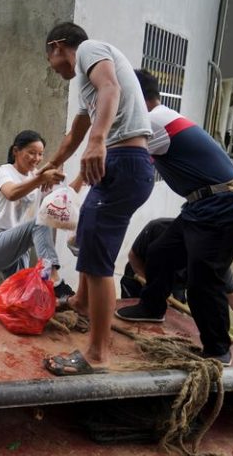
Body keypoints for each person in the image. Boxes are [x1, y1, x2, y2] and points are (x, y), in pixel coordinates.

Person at [114, 69, 233, 364]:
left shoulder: (154, 121)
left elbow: (120, 156)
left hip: (225, 208)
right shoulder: (161, 119)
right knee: (161, 251)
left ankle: (218, 351)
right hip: (203, 207)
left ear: (136, 98)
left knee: (204, 281)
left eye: (121, 97)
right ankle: (152, 308)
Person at [41, 22, 154, 375]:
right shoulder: (82, 84)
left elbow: (111, 87)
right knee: (87, 236)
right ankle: (80, 301)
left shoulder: (90, 51)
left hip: (125, 161)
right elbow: (75, 132)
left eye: (50, 57)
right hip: (121, 166)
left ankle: (97, 354)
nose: (53, 66)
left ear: (58, 46)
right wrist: (52, 164)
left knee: (98, 260)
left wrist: (99, 139)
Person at [120, 217, 233, 337]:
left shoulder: (214, 259)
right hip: (141, 278)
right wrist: (151, 286)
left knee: (174, 315)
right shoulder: (160, 229)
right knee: (134, 324)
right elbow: (134, 257)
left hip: (175, 285)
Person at [0, 130, 68, 286]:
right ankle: (52, 279)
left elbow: (59, 202)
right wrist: (40, 178)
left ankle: (46, 285)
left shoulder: (37, 176)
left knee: (17, 299)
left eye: (40, 154)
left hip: (20, 250)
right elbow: (12, 193)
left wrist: (82, 176)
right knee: (38, 222)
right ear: (16, 151)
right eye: (32, 153)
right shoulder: (5, 171)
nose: (37, 159)